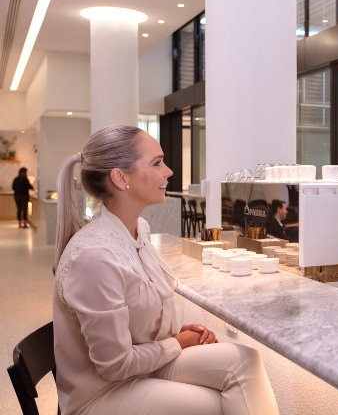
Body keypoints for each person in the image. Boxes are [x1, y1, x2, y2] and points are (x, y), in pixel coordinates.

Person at [53, 125, 279, 415]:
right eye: (157, 163)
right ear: (121, 178)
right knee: (219, 405)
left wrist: (173, 333)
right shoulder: (94, 257)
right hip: (103, 394)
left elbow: (134, 316)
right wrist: (177, 342)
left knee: (247, 361)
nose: (169, 171)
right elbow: (114, 366)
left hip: (139, 370)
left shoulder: (138, 231)